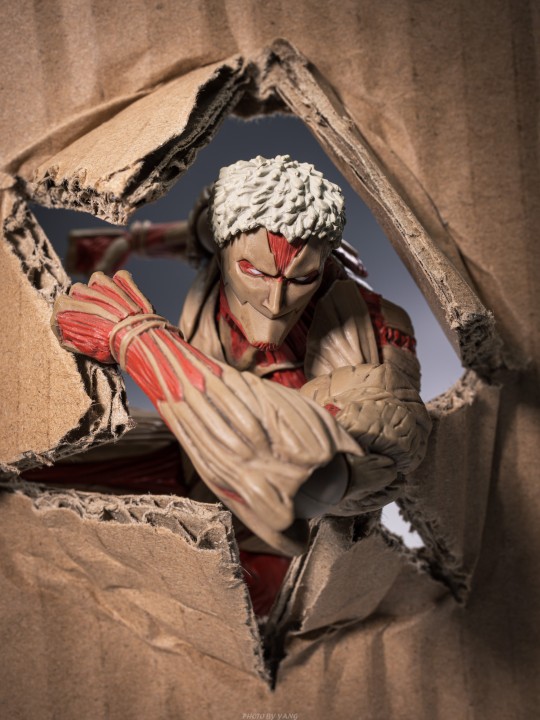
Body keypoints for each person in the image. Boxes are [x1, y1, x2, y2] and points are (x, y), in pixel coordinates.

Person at [52, 155, 431, 563]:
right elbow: (198, 233)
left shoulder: (377, 328)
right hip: (185, 463)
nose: (276, 301)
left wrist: (140, 339)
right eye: (255, 272)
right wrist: (128, 243)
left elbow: (301, 472)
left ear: (324, 264)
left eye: (302, 279)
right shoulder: (223, 237)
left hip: (266, 541)